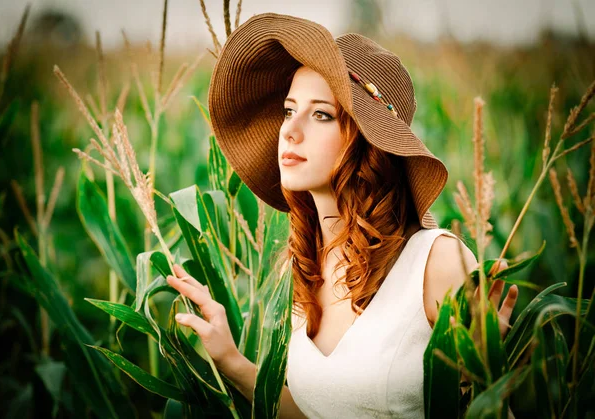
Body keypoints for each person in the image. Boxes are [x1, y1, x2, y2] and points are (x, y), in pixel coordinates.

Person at [166, 12, 518, 418]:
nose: (290, 131)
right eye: (288, 110)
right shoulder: (301, 267)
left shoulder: (435, 263)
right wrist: (230, 360)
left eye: (320, 115)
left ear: (366, 141)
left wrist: (486, 373)